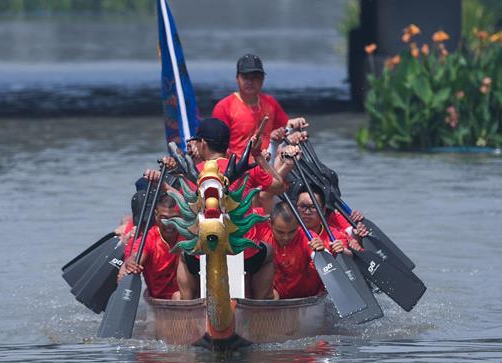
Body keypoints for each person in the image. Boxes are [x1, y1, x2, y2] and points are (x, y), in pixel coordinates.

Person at [174, 117, 281, 300]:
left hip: (203, 253)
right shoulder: (244, 167)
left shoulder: (194, 174)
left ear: (203, 144)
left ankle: (189, 303)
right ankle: (260, 302)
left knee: (184, 255)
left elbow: (181, 211)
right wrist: (257, 155)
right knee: (268, 252)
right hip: (244, 252)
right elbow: (278, 186)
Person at [212, 53, 308, 157]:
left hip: (268, 163)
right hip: (238, 167)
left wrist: (294, 125)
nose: (250, 81)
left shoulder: (270, 103)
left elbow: (283, 128)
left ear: (262, 79)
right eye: (245, 77)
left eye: (255, 77)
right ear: (237, 78)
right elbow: (216, 147)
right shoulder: (224, 107)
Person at [258, 201, 342, 300]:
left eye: (292, 231)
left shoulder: (308, 237)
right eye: (280, 232)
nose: (286, 237)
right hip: (275, 296)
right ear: (270, 223)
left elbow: (325, 261)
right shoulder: (261, 232)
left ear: (299, 224)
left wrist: (322, 251)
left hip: (306, 298)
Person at [117, 193, 182, 300]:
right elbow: (135, 256)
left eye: (174, 219)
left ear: (182, 216)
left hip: (189, 291)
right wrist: (131, 263)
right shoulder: (149, 239)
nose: (169, 224)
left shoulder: (188, 235)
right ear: (156, 215)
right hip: (163, 296)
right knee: (177, 296)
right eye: (164, 218)